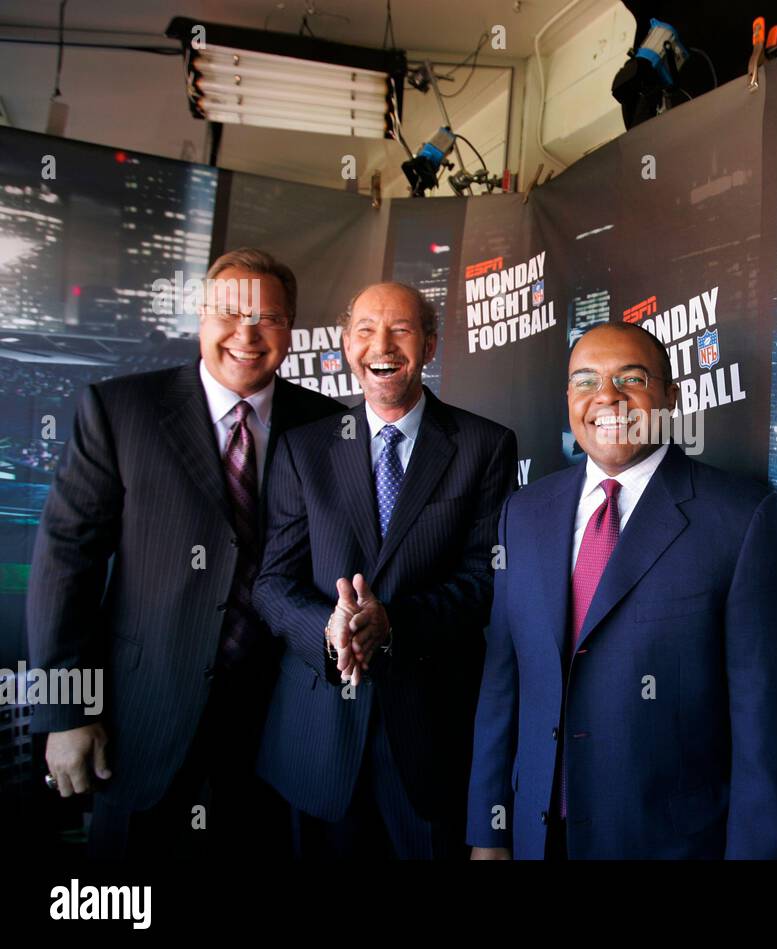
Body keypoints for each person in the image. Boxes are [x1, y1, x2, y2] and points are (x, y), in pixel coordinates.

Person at [27, 248, 341, 857]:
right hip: (140, 721)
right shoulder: (120, 411)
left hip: (277, 732)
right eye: (229, 313)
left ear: (290, 329)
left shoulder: (330, 427)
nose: (247, 334)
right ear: (200, 316)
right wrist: (64, 712)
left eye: (268, 318)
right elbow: (67, 563)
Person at [467, 321, 777, 859]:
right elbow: (503, 682)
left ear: (670, 395)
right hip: (538, 837)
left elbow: (764, 722)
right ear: (568, 399)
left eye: (631, 377)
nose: (607, 397)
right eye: (585, 381)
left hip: (666, 843)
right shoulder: (523, 512)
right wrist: (489, 833)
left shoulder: (741, 518)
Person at [253, 282, 517, 859]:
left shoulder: (485, 446)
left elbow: (488, 578)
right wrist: (328, 629)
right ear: (348, 346)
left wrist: (392, 622)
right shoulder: (303, 449)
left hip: (431, 742)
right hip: (317, 742)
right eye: (367, 329)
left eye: (400, 329)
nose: (383, 343)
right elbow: (272, 582)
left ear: (430, 345)